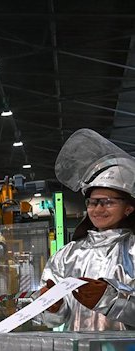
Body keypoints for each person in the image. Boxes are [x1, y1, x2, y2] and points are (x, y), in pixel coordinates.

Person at [37, 129, 135, 330]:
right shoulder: (67, 255)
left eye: (107, 202)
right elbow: (52, 321)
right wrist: (52, 308)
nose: (98, 209)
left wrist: (110, 300)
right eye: (92, 202)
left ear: (129, 208)